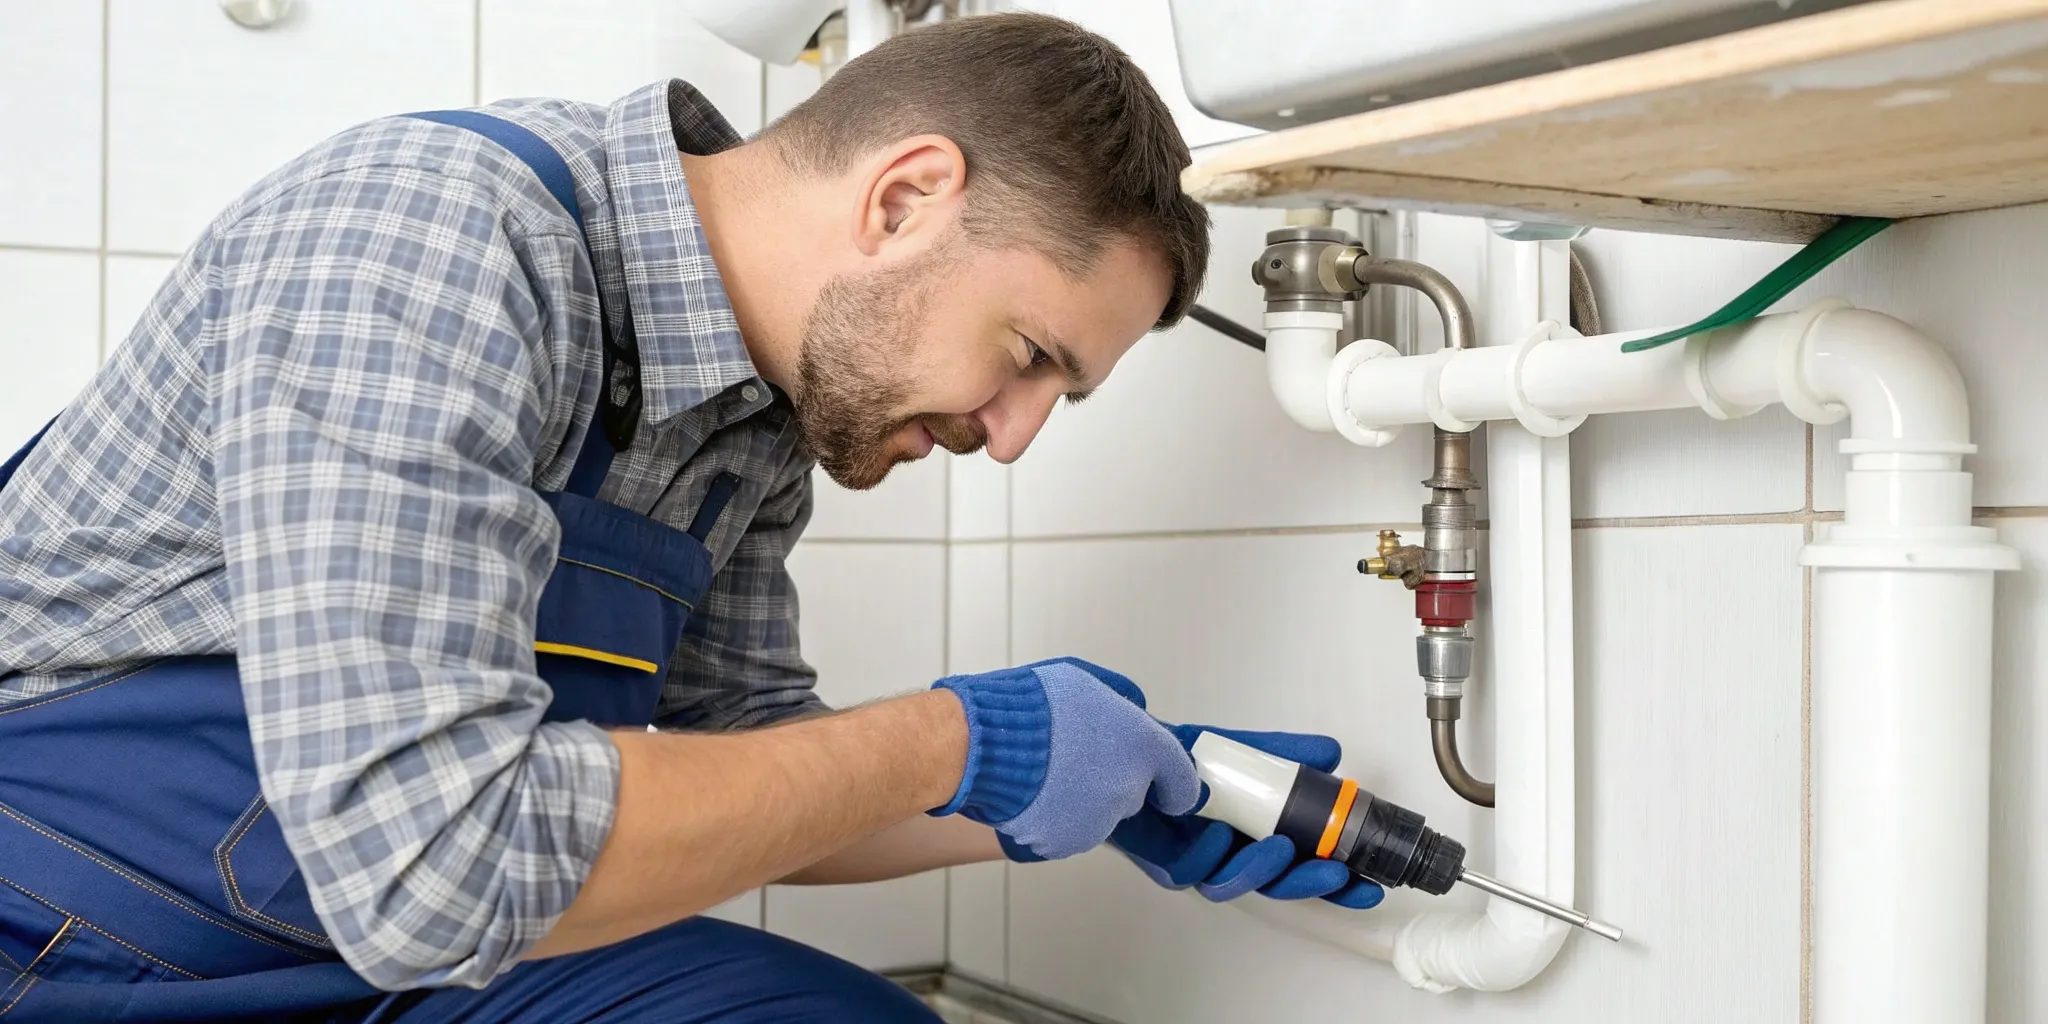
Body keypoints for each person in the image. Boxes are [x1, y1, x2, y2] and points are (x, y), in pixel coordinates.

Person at [0, 13, 1379, 1023]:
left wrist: (1091, 782)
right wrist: (962, 736)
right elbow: (434, 862)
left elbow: (754, 770)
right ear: (905, 200)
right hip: (83, 950)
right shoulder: (433, 237)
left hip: (393, 955)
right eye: (1029, 357)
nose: (1008, 437)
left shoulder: (765, 417)